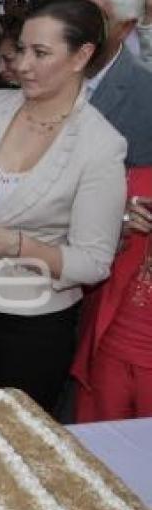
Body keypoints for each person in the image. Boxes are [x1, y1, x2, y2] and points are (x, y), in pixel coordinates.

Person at [0, 0, 127, 413]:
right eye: (21, 50)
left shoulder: (100, 145)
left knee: (11, 447)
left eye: (41, 53)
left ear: (81, 56)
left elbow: (93, 262)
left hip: (32, 326)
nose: (22, 65)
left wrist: (16, 246)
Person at [72, 166, 152, 422]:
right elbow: (80, 252)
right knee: (99, 452)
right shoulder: (134, 182)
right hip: (110, 351)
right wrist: (117, 227)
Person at [77, 0, 152, 167]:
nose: (76, 25)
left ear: (125, 27)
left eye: (94, 16)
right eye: (74, 11)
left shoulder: (146, 94)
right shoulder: (44, 70)